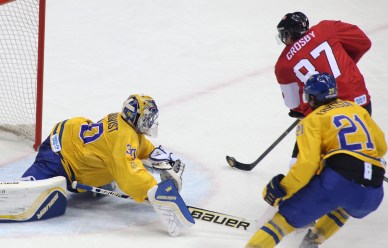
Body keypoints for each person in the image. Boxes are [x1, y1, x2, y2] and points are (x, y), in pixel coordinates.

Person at [245, 73, 387, 248]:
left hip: (338, 180)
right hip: (374, 191)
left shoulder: (311, 121)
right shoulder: (355, 108)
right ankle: (310, 244)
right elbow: (381, 147)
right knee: (343, 208)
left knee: (282, 222)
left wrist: (283, 188)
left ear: (311, 98)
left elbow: (307, 164)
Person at [20, 94, 195, 235]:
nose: (149, 123)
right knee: (30, 188)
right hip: (61, 153)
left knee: (106, 165)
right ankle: (21, 187)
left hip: (71, 136)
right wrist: (152, 190)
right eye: (146, 118)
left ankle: (96, 179)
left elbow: (139, 147)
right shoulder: (123, 137)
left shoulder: (124, 124)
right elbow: (128, 173)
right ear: (135, 116)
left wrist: (161, 160)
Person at [275, 11, 373, 166]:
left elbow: (292, 104)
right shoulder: (327, 28)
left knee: (300, 163)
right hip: (360, 103)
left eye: (284, 34)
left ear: (290, 33)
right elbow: (364, 42)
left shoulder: (283, 64)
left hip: (325, 116)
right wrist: (347, 65)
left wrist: (301, 109)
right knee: (355, 155)